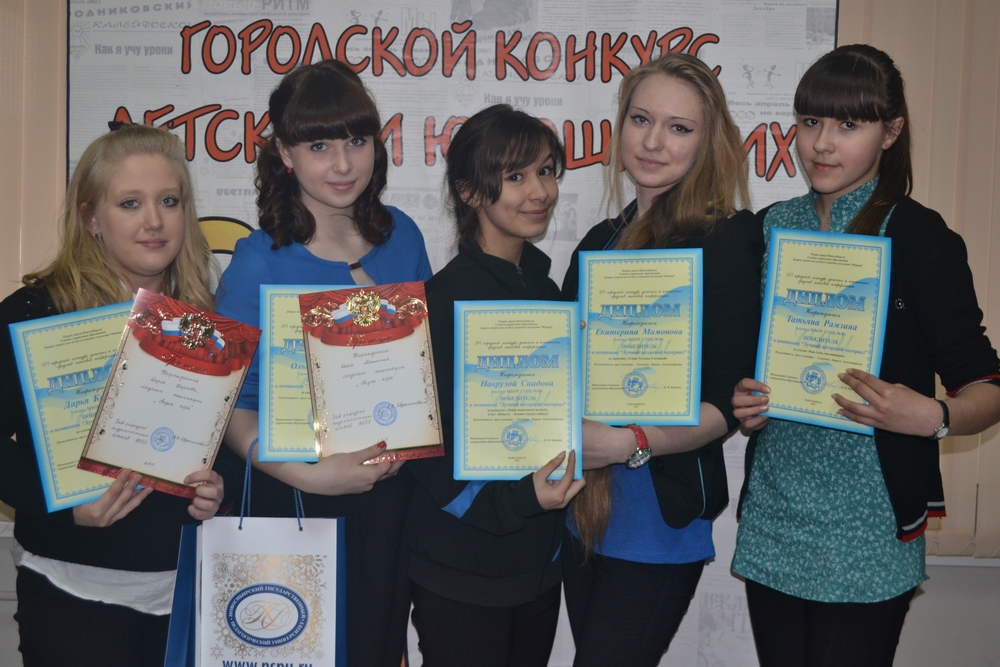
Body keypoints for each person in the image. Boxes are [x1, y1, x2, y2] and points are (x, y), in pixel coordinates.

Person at [731, 44, 1000, 667]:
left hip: (869, 526)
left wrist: (932, 416)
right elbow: (744, 362)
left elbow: (987, 388)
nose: (823, 143)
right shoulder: (769, 229)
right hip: (776, 514)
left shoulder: (919, 236)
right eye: (810, 121)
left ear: (891, 131)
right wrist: (744, 397)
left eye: (849, 124)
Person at [214, 58, 432, 667]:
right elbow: (228, 408)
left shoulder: (404, 238)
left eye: (356, 141)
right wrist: (312, 475)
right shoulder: (260, 261)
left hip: (391, 509)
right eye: (319, 146)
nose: (342, 164)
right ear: (285, 153)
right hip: (298, 502)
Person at [558, 53, 762, 666]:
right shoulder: (597, 243)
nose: (652, 142)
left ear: (707, 141)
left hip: (659, 522)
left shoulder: (726, 239)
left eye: (679, 127)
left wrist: (629, 442)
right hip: (581, 517)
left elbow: (725, 404)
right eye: (641, 119)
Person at [0, 123, 226, 666]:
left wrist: (219, 489)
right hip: (71, 595)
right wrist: (64, 508)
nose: (154, 221)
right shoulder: (34, 313)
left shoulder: (205, 321)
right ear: (91, 219)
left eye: (169, 201)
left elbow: (223, 440)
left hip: (187, 597)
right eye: (130, 203)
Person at [405, 104, 586, 667]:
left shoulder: (550, 294)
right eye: (515, 176)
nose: (539, 191)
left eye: (547, 171)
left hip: (538, 568)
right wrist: (520, 500)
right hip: (460, 573)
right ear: (469, 191)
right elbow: (425, 455)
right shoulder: (439, 302)